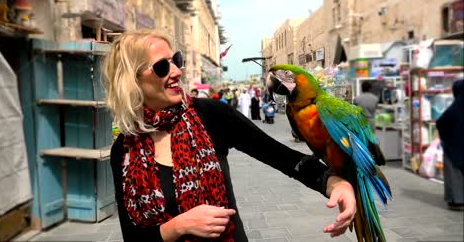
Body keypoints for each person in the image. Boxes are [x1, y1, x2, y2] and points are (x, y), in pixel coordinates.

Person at [101, 29, 356, 241]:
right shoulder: (123, 151)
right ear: (131, 80)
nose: (177, 71)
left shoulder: (210, 114)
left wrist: (333, 182)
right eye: (161, 66)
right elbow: (133, 237)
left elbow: (281, 156)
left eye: (176, 60)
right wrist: (178, 226)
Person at [436, 79, 464, 211]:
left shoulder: (455, 108)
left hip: (453, 147)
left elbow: (441, 122)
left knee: (454, 173)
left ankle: (456, 201)